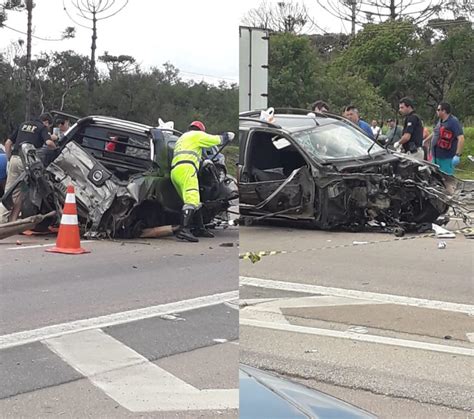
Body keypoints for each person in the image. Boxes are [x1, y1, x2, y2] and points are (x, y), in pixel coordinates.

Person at [170, 120, 234, 242]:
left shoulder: (181, 139)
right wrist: (227, 136)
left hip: (176, 171)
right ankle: (184, 230)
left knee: (193, 200)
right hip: (187, 169)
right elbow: (216, 140)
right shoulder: (196, 135)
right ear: (200, 130)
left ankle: (199, 228)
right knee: (192, 200)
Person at [3, 112, 57, 222]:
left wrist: (9, 158)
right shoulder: (42, 127)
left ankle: (7, 220)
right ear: (46, 122)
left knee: (9, 191)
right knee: (23, 192)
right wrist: (56, 147)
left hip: (14, 160)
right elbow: (49, 143)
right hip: (25, 166)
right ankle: (9, 221)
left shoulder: (23, 124)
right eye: (49, 126)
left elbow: (8, 143)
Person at [432, 102, 464, 176]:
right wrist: (426, 141)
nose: (437, 111)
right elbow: (435, 132)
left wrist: (457, 155)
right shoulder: (441, 121)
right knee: (435, 179)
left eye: (438, 109)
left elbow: (461, 138)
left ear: (444, 111)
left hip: (446, 157)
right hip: (436, 156)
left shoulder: (453, 122)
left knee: (447, 180)